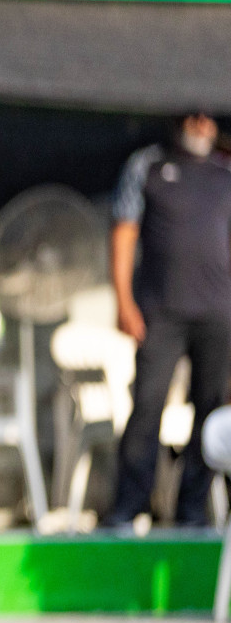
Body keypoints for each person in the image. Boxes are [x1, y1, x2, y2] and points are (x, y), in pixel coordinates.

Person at [105, 112, 231, 529]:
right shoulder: (148, 165)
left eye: (208, 118)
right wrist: (124, 301)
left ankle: (192, 511)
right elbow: (124, 231)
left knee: (210, 412)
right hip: (159, 313)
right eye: (192, 116)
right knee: (146, 407)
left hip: (217, 315)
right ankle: (129, 508)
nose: (200, 125)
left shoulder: (225, 171)